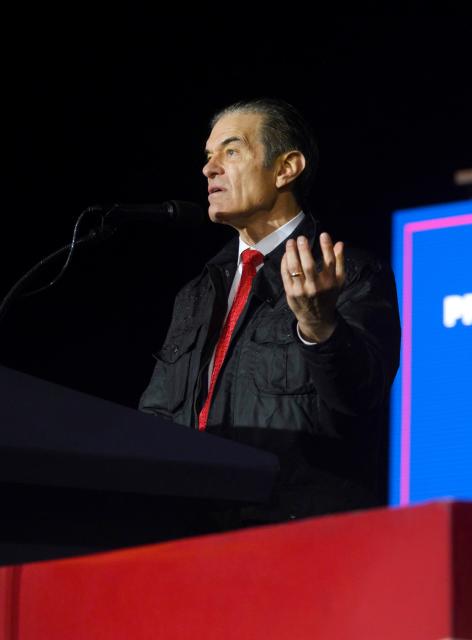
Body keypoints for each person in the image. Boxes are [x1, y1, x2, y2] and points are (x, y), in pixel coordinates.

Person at [140, 98, 400, 524]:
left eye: (231, 151)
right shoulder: (198, 292)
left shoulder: (348, 272)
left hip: (296, 534)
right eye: (208, 157)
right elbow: (155, 418)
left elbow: (362, 397)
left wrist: (321, 327)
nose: (209, 169)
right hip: (190, 535)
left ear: (286, 168)